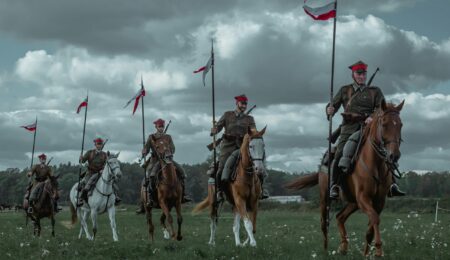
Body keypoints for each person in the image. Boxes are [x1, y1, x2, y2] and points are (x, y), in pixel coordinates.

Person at [326, 60, 405, 199]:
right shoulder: (345, 90)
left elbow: (382, 109)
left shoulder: (375, 91)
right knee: (340, 153)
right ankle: (334, 186)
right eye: (359, 74)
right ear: (353, 75)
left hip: (369, 127)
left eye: (364, 74)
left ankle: (392, 184)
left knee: (387, 150)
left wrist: (372, 117)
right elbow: (333, 106)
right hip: (349, 128)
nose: (362, 76)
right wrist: (329, 110)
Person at [211, 94, 269, 201]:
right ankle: (219, 191)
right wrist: (214, 130)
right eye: (242, 103)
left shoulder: (249, 119)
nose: (244, 106)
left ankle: (261, 189)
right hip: (228, 146)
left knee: (258, 165)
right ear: (237, 103)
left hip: (242, 146)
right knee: (221, 167)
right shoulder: (227, 115)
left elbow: (253, 132)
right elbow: (217, 128)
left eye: (246, 104)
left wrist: (256, 134)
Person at [137, 119, 191, 213]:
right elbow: (146, 148)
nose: (161, 128)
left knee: (182, 172)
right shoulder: (151, 137)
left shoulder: (168, 137)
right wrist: (144, 151)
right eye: (159, 127)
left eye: (162, 126)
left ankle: (183, 195)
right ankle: (149, 198)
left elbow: (173, 148)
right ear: (156, 127)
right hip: (155, 161)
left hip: (167, 159)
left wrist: (167, 151)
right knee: (149, 175)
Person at [77, 138, 121, 206]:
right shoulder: (89, 152)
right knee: (87, 184)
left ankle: (116, 197)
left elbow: (107, 164)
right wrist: (80, 158)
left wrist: (103, 170)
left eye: (100, 144)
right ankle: (81, 199)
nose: (99, 145)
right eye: (98, 144)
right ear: (95, 145)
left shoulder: (105, 154)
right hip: (90, 172)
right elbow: (82, 161)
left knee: (111, 181)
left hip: (101, 173)